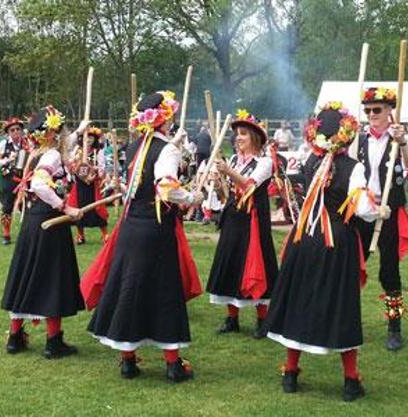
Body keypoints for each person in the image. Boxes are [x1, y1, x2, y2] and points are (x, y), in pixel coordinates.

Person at [263, 102, 390, 402]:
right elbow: (361, 207)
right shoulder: (354, 167)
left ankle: (291, 373)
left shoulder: (309, 161)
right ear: (346, 134)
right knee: (341, 306)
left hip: (304, 239)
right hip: (335, 243)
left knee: (299, 301)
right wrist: (379, 211)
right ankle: (350, 380)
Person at [82, 91, 204, 383]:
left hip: (131, 227)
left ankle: (127, 360)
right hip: (155, 229)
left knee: (130, 288)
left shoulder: (136, 146)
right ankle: (173, 365)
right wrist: (193, 197)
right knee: (164, 291)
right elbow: (166, 188)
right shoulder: (167, 149)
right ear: (167, 118)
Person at [1, 106, 88, 358]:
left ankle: (15, 338)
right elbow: (39, 184)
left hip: (32, 225)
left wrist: (81, 129)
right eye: (60, 129)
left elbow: (66, 143)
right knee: (53, 280)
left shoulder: (35, 153)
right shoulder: (51, 156)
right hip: (50, 223)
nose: (65, 133)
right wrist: (66, 207)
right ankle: (53, 342)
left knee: (25, 277)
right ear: (51, 134)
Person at [206, 109, 278, 339]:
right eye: (237, 134)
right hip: (234, 218)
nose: (238, 138)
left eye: (243, 134)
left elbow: (249, 185)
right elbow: (228, 194)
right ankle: (232, 318)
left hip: (254, 220)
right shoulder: (236, 160)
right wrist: (218, 182)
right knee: (231, 263)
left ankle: (263, 319)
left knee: (257, 264)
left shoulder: (265, 162)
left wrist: (229, 171)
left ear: (255, 138)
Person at [356, 87, 408, 351]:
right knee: (352, 265)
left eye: (377, 110)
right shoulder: (357, 140)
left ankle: (394, 326)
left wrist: (402, 141)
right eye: (368, 110)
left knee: (389, 270)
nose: (371, 115)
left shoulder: (401, 138)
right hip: (362, 211)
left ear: (390, 110)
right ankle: (345, 319)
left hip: (389, 211)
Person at [0, 117, 29, 244]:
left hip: (25, 178)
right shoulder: (3, 144)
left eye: (18, 129)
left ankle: (27, 233)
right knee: (7, 206)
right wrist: (7, 160)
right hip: (9, 178)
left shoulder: (28, 142)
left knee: (27, 205)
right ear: (8, 132)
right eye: (12, 130)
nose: (16, 132)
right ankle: (6, 234)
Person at [68, 127, 109, 244]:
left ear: (95, 139)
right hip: (79, 185)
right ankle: (80, 235)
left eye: (91, 137)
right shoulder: (77, 150)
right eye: (86, 137)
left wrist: (95, 170)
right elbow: (71, 164)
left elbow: (102, 168)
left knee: (97, 208)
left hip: (92, 185)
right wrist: (75, 167)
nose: (88, 140)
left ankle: (105, 234)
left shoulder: (98, 152)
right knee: (78, 208)